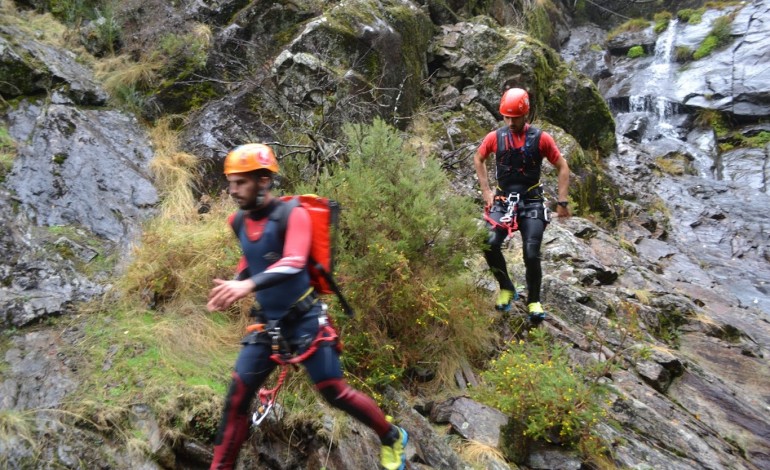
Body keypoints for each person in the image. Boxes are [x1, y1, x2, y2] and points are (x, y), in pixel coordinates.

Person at [206, 143, 408, 470]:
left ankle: (391, 436)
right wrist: (236, 281)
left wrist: (246, 285)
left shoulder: (293, 214)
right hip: (266, 326)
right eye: (230, 182)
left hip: (305, 321)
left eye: (240, 182)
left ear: (263, 180)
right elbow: (252, 258)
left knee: (334, 391)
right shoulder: (237, 222)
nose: (233, 190)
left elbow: (294, 261)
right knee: (235, 401)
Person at [473, 88, 571, 323]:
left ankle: (534, 300)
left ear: (525, 114)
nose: (510, 121)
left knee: (531, 252)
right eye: (506, 117)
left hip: (532, 201)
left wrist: (562, 201)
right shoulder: (495, 137)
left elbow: (563, 166)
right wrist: (486, 190)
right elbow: (479, 158)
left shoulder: (541, 138)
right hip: (503, 200)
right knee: (488, 244)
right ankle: (506, 287)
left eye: (514, 117)